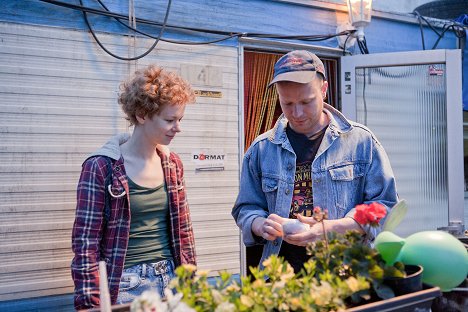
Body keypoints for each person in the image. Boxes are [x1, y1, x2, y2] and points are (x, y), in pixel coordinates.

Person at [232, 50, 398, 273]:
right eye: (287, 103)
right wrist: (259, 224)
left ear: (324, 90)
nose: (297, 113)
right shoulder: (261, 149)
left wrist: (332, 229)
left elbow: (384, 205)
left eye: (306, 101)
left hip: (345, 273)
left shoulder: (361, 142)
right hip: (280, 275)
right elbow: (246, 207)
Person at [71, 65, 197, 310]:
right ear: (141, 115)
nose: (178, 127)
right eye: (169, 120)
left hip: (172, 280)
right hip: (125, 285)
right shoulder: (101, 167)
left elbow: (184, 231)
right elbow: (86, 243)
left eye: (180, 119)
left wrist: (190, 283)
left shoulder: (173, 165)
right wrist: (90, 304)